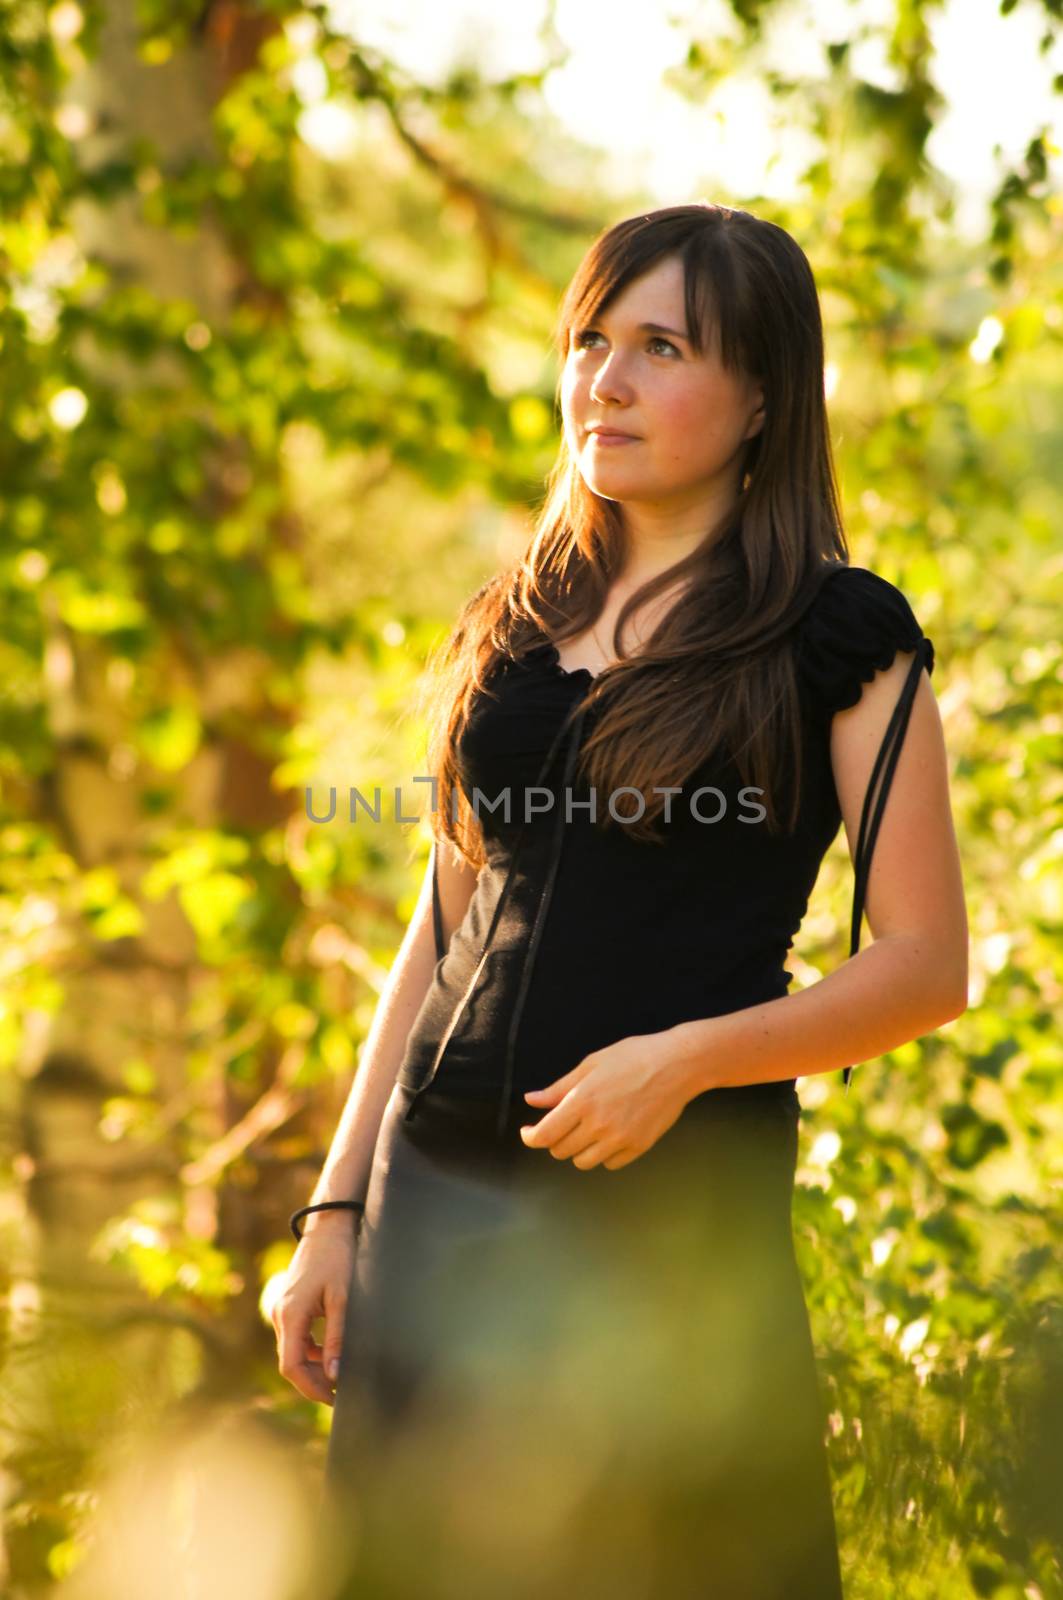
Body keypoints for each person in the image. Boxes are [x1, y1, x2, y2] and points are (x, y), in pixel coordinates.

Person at [274, 202, 969, 1600]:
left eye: (661, 347)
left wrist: (685, 1061)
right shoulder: (513, 622)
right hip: (437, 1207)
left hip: (665, 1224)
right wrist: (336, 1212)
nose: (607, 379)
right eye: (591, 340)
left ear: (766, 395)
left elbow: (926, 966)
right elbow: (444, 927)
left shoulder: (840, 633)